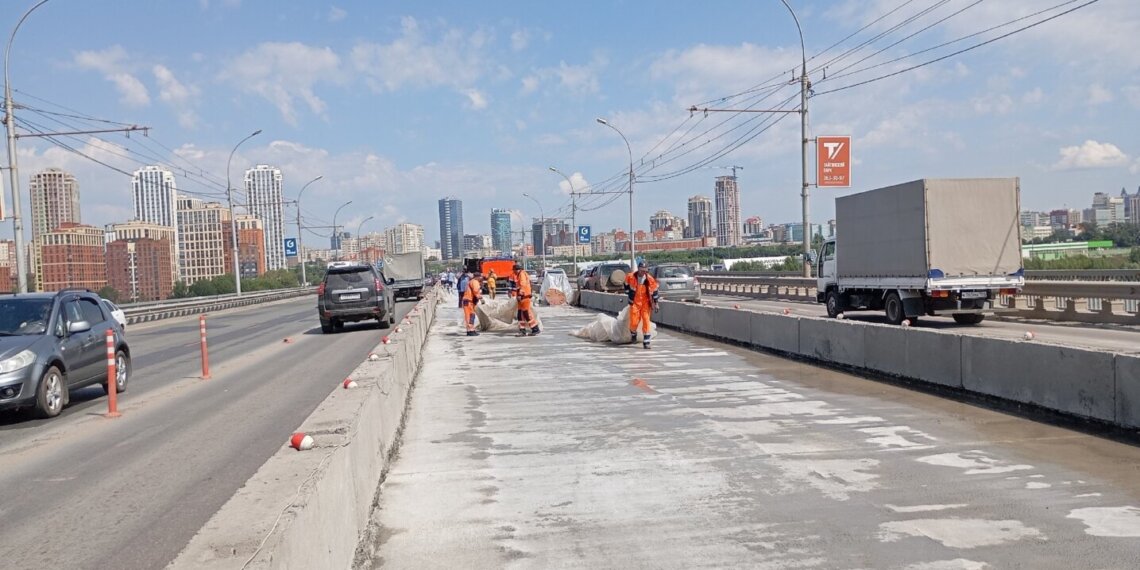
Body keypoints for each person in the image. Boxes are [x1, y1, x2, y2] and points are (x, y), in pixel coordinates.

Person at [625, 261, 660, 349]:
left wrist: (656, 303)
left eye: (645, 271)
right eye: (641, 270)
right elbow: (625, 284)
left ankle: (646, 342)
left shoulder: (650, 279)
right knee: (634, 322)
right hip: (635, 303)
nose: (643, 272)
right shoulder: (631, 276)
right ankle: (633, 333)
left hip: (645, 303)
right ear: (638, 269)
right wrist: (628, 292)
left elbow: (655, 291)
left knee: (646, 320)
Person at [509, 263, 539, 336]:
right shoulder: (519, 275)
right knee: (520, 314)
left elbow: (523, 284)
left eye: (514, 270)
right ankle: (522, 330)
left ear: (517, 269)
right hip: (522, 296)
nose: (514, 272)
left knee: (526, 313)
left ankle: (535, 328)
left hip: (524, 296)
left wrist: (520, 294)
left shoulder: (522, 274)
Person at [461, 271, 483, 336]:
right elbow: (476, 291)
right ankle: (470, 330)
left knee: (470, 316)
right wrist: (480, 298)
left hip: (468, 301)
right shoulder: (475, 282)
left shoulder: (472, 281)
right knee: (470, 316)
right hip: (468, 301)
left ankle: (471, 329)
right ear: (478, 277)